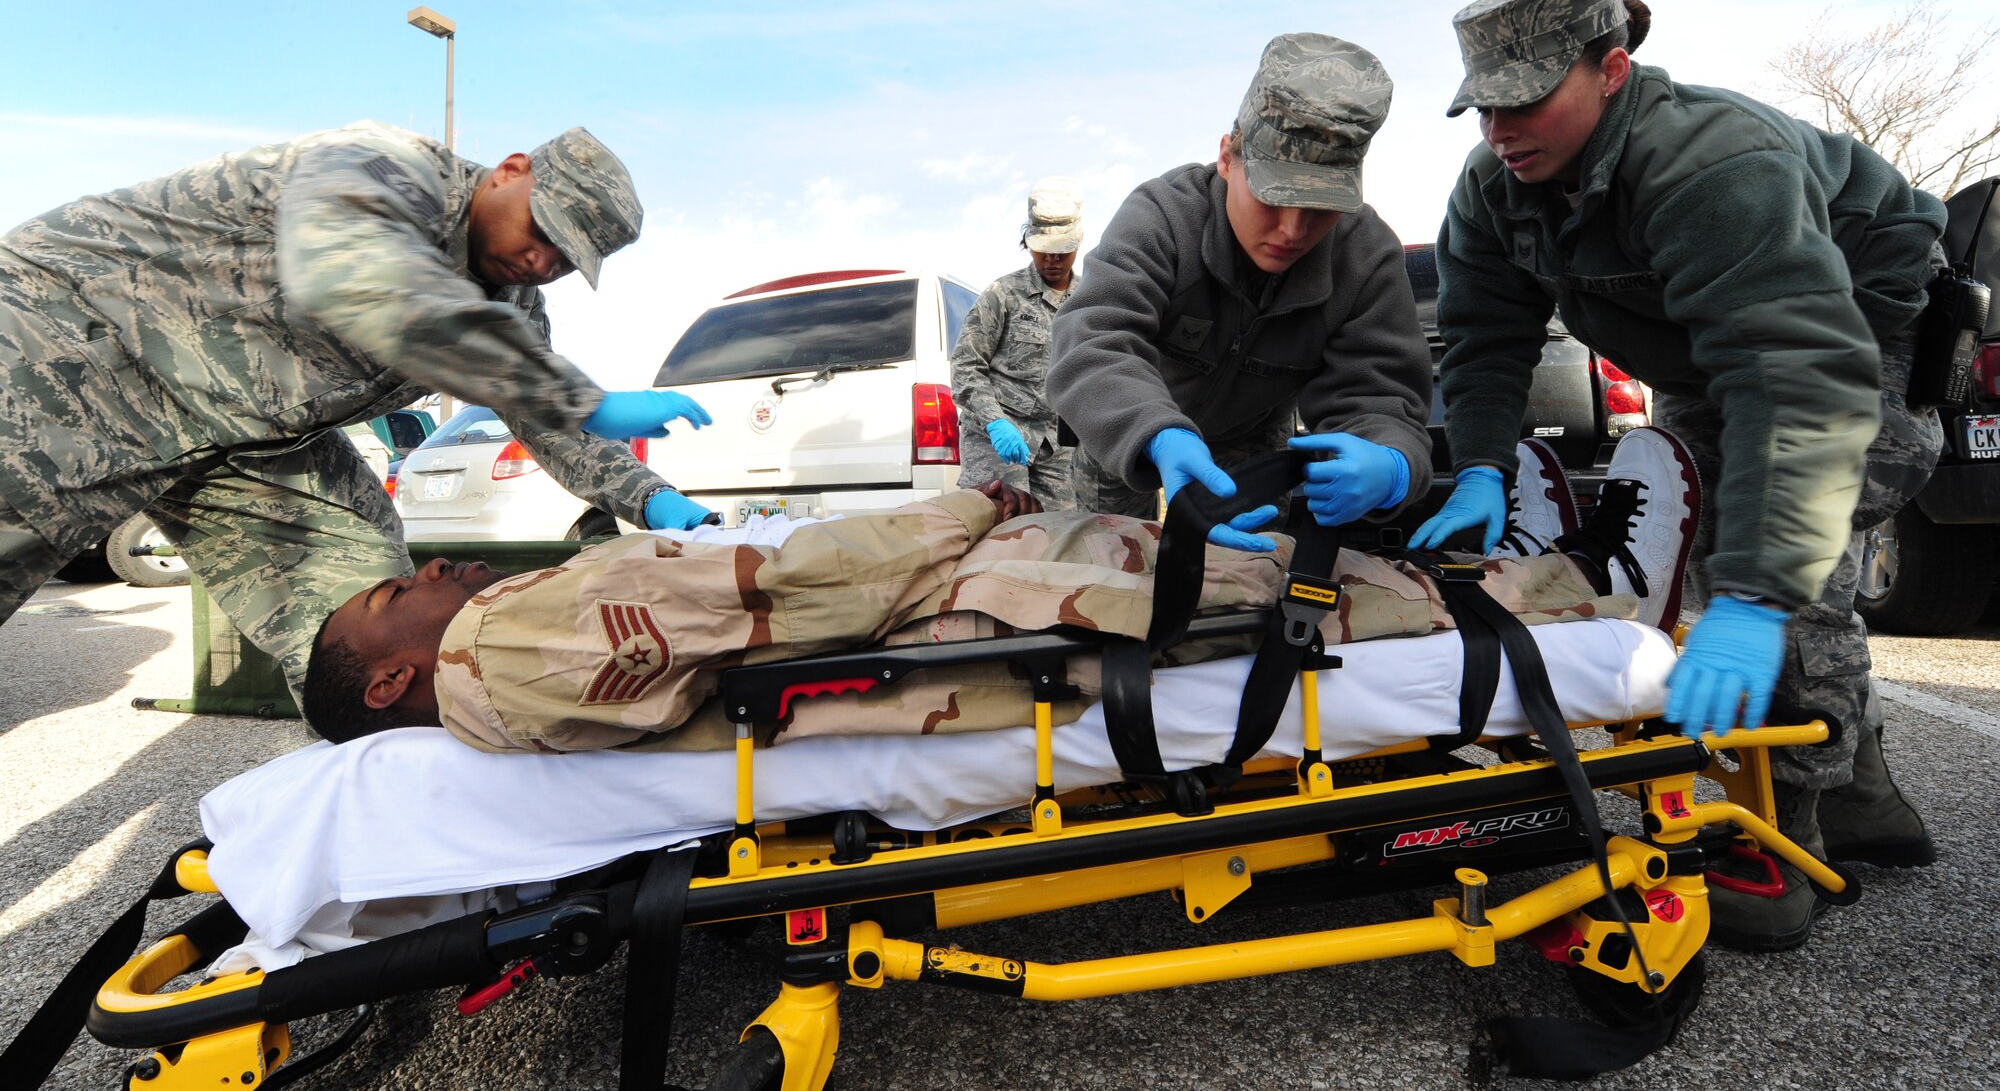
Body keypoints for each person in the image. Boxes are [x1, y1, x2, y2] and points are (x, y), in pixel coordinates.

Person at [1415, 0, 1945, 952]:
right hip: (1717, 357)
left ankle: (1784, 844)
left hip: (1854, 343)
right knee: (1712, 540)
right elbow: (1483, 337)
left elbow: (1797, 383)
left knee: (1781, 568)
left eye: (1525, 101)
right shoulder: (1495, 185)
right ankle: (1864, 797)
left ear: (1610, 69)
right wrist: (1479, 463)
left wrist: (1755, 595)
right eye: (1482, 107)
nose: (1499, 129)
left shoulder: (1711, 162)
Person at [300, 430, 1697, 753]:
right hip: (972, 618)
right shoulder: (509, 641)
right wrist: (977, 502)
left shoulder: (501, 647)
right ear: (392, 677)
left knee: (1256, 565)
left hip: (950, 601)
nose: (426, 570)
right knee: (1273, 592)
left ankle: (1519, 566)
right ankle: (1587, 598)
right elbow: (801, 590)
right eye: (387, 601)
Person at [0, 122, 720, 698]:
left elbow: (542, 415)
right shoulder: (382, 166)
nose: (542, 262)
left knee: (379, 612)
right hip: (66, 348)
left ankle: (382, 766)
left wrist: (651, 500)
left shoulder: (513, 305)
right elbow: (369, 283)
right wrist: (580, 398)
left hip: (237, 439)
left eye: (565, 259)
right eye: (544, 232)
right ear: (510, 170)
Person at [1046, 33, 1433, 551]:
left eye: (1320, 208)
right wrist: (1157, 433)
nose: (1292, 231)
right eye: (1273, 199)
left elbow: (1381, 396)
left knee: (1244, 578)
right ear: (1228, 158)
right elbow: (1093, 337)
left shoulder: (1363, 256)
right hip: (1126, 427)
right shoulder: (1164, 216)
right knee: (1112, 568)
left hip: (1250, 443)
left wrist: (1393, 461)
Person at [952, 177, 1085, 510]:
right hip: (995, 438)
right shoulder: (1003, 294)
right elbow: (966, 365)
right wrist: (994, 421)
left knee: (1061, 530)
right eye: (1043, 250)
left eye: (1061, 251)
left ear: (1078, 244)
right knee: (1002, 523)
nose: (1052, 259)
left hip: (1055, 446)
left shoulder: (1088, 301)